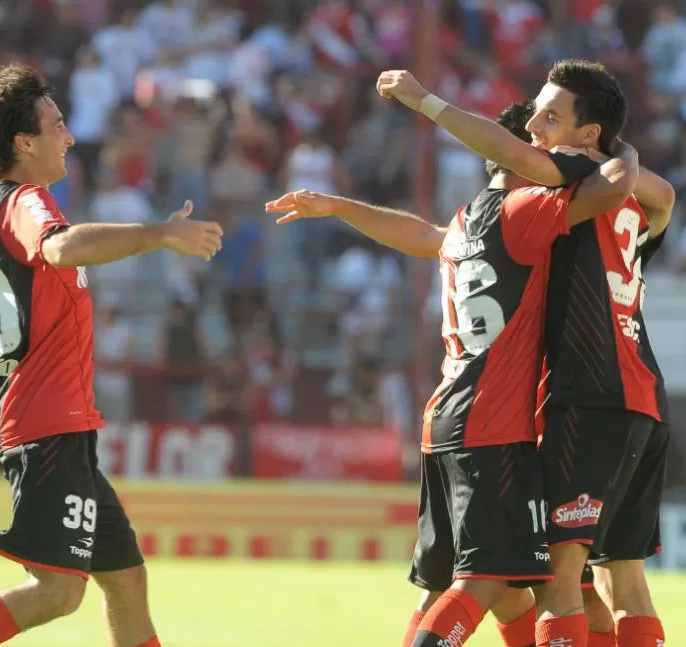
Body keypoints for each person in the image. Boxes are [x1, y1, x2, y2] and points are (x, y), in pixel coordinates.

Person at [267, 97, 641, 647]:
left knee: (491, 586)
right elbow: (612, 190)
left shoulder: (468, 222)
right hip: (495, 425)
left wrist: (338, 206)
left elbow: (419, 234)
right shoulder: (523, 211)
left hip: (444, 420)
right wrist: (622, 150)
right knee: (486, 582)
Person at [0, 65, 223, 647]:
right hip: (44, 418)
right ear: (23, 142)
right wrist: (159, 233)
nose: (70, 137)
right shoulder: (28, 202)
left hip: (49, 418)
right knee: (57, 592)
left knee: (125, 580)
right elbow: (57, 247)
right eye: (57, 126)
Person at [377, 59, 674, 647]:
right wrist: (623, 155)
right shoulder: (629, 196)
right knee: (616, 582)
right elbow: (663, 197)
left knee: (551, 580)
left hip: (588, 397)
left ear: (587, 135)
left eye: (550, 116)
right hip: (644, 397)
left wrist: (426, 101)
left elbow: (516, 160)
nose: (535, 125)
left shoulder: (560, 181)